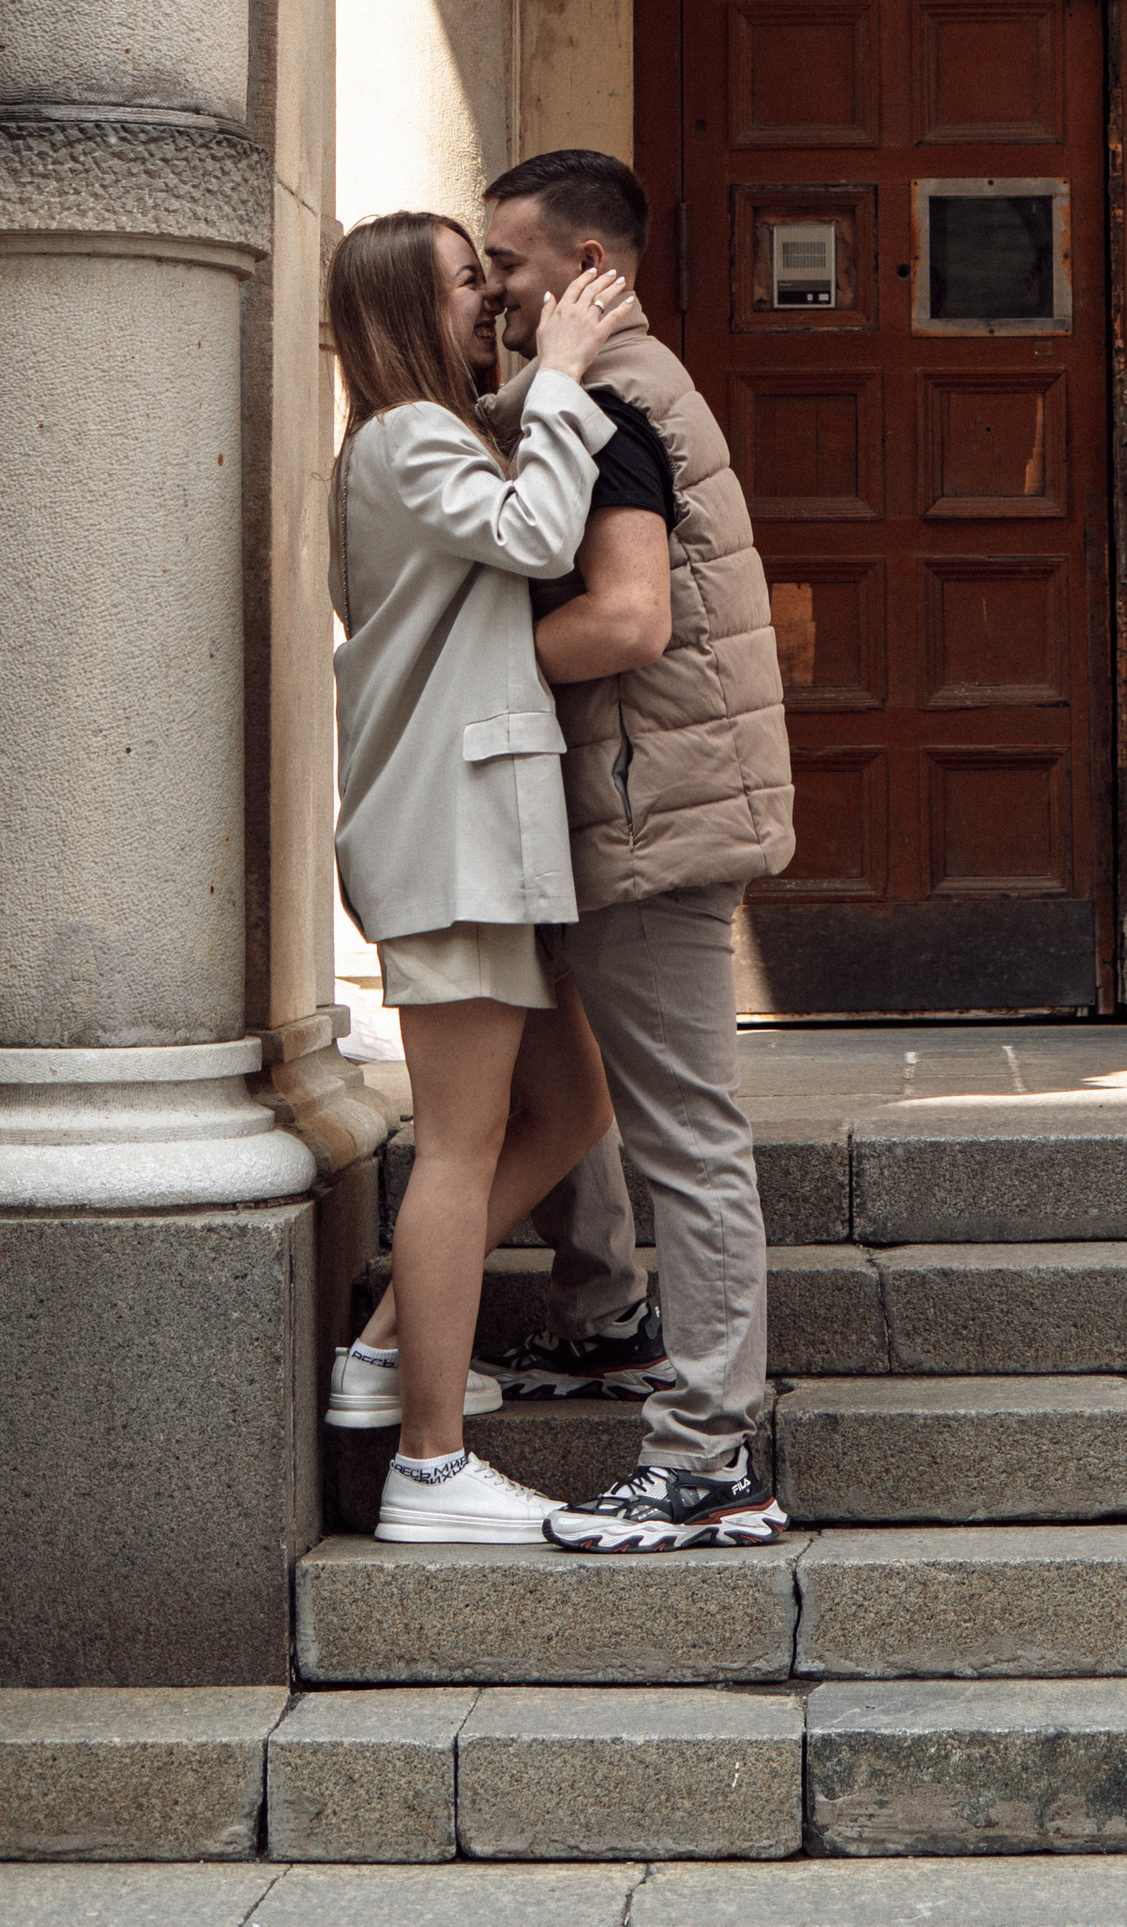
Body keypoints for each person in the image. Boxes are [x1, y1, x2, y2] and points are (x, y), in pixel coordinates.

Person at [476, 148, 797, 1551]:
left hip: (653, 816)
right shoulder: (603, 391)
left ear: (587, 272)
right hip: (626, 797)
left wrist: (456, 675)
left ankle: (710, 1453)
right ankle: (605, 1316)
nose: (489, 288)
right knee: (569, 1075)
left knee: (688, 1130)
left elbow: (626, 623)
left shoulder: (611, 405)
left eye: (508, 263)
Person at [323, 206, 633, 1545]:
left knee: (567, 1110)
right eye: (464, 285)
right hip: (448, 840)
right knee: (458, 1147)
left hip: (479, 835)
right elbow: (534, 531)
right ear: (407, 312)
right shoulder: (403, 441)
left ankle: (394, 1344)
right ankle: (430, 1468)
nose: (490, 305)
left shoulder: (415, 439)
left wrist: (540, 383)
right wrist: (560, 377)